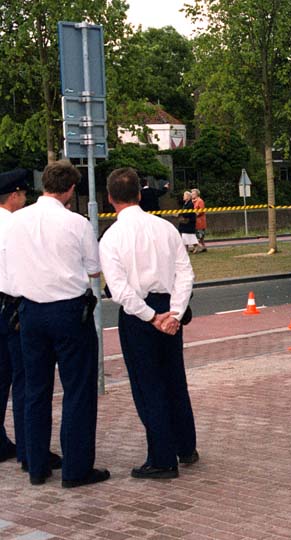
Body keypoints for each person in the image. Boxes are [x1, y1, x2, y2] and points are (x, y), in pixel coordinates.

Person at [4, 160, 110, 488]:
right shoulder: (76, 223)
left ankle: (36, 466)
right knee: (77, 389)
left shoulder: (16, 221)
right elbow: (94, 269)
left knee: (36, 390)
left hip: (30, 313)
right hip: (68, 312)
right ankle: (76, 469)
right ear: (70, 189)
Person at [100, 167, 198, 480]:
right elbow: (185, 273)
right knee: (175, 380)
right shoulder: (165, 227)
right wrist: (175, 313)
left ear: (110, 198)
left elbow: (120, 290)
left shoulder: (111, 237)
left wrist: (150, 317)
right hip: (167, 308)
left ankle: (162, 457)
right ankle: (186, 447)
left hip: (139, 315)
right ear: (140, 195)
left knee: (148, 386)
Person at [0, 169, 63, 475]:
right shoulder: (15, 225)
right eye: (23, 195)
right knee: (25, 380)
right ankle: (29, 450)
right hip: (15, 304)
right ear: (14, 195)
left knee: (1, 378)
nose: (25, 199)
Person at [191, 188, 207, 253]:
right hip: (194, 221)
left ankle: (201, 247)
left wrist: (196, 213)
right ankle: (203, 247)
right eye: (191, 194)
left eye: (193, 194)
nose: (192, 195)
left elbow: (201, 210)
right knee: (197, 235)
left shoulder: (200, 201)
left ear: (197, 194)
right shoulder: (192, 201)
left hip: (200, 221)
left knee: (200, 236)